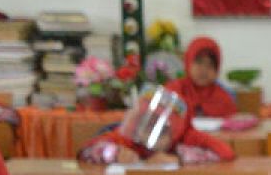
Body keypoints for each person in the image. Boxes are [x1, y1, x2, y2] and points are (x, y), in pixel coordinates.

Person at [77, 87, 236, 165]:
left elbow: (225, 153)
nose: (151, 131)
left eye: (161, 129)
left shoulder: (179, 147)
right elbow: (86, 151)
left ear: (174, 134)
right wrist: (114, 153)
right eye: (147, 123)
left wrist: (177, 159)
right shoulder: (126, 140)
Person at [166, 36, 239, 118]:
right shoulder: (175, 90)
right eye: (199, 62)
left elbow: (232, 124)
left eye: (210, 65)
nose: (204, 70)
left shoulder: (223, 98)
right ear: (188, 61)